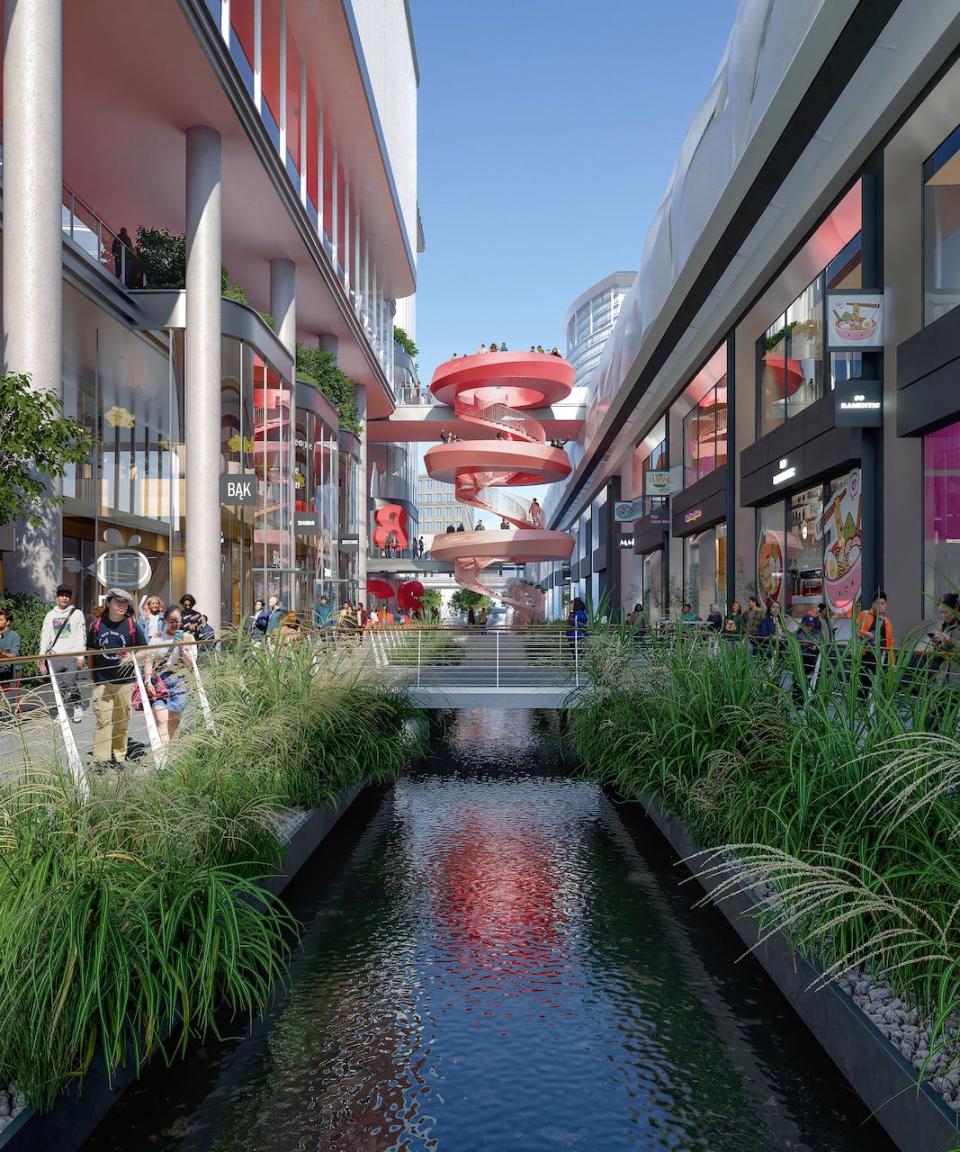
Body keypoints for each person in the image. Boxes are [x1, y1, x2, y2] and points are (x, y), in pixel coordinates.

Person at [87, 589, 147, 771]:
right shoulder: (97, 626)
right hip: (102, 681)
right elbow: (90, 652)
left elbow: (144, 651)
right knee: (103, 721)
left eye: (125, 603)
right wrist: (93, 676)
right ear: (108, 603)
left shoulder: (132, 626)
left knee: (121, 722)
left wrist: (132, 658)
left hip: (125, 682)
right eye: (118, 602)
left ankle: (119, 757)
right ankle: (101, 760)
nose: (122, 606)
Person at [143, 606, 196, 745]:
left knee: (172, 723)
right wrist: (148, 681)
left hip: (180, 681)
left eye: (177, 621)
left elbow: (192, 663)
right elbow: (149, 660)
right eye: (171, 621)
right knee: (161, 721)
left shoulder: (188, 637)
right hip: (160, 680)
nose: (174, 625)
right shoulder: (157, 638)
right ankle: (163, 760)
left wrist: (181, 649)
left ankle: (169, 756)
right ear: (165, 621)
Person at [39, 584, 87, 723]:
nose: (65, 598)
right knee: (59, 685)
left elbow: (81, 635)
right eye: (62, 595)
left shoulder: (77, 614)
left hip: (72, 654)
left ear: (70, 598)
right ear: (57, 597)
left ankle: (77, 705)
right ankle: (62, 710)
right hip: (55, 655)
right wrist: (42, 655)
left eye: (67, 596)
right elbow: (45, 636)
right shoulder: (50, 615)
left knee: (70, 682)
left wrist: (81, 655)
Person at [857, 590, 894, 695]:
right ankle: (861, 707)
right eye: (878, 603)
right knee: (865, 684)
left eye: (882, 603)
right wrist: (866, 634)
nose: (880, 606)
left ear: (886, 605)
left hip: (881, 657)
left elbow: (890, 643)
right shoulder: (864, 614)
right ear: (873, 603)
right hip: (866, 655)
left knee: (881, 686)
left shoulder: (887, 622)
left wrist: (892, 663)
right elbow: (856, 631)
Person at [0, 609, 22, 717]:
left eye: (0, 620)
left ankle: (15, 715)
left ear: (7, 622)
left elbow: (14, 655)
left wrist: (1, 654)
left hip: (13, 669)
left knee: (12, 693)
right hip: (1, 669)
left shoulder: (14, 635)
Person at [796, 611, 822, 697]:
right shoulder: (798, 633)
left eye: (811, 624)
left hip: (812, 662)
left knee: (811, 683)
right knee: (798, 683)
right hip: (801, 662)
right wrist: (810, 645)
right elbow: (802, 642)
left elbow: (819, 643)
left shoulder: (816, 633)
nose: (809, 627)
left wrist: (816, 647)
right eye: (807, 624)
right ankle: (797, 703)